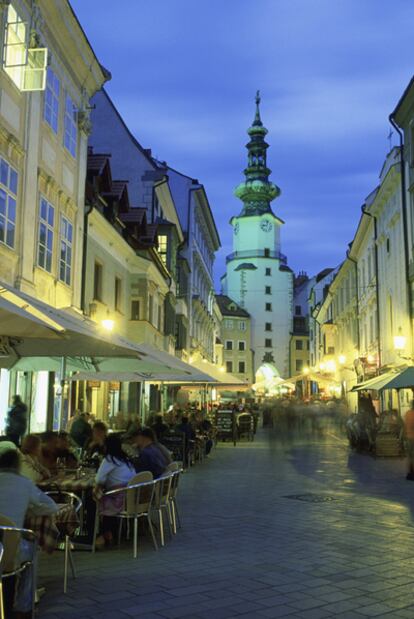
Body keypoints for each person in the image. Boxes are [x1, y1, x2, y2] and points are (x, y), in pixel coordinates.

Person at [0, 441, 58, 617]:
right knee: (31, 548)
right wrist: (29, 508)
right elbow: (51, 507)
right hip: (9, 552)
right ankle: (24, 606)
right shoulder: (24, 484)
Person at [94, 434, 135, 547]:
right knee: (102, 496)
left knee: (94, 499)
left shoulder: (109, 460)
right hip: (132, 497)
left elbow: (99, 479)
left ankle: (102, 534)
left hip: (119, 498)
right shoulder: (126, 459)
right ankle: (109, 533)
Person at [404, 400, 414, 479]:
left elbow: (405, 425)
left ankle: (410, 472)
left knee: (410, 456)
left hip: (408, 437)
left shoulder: (407, 413)